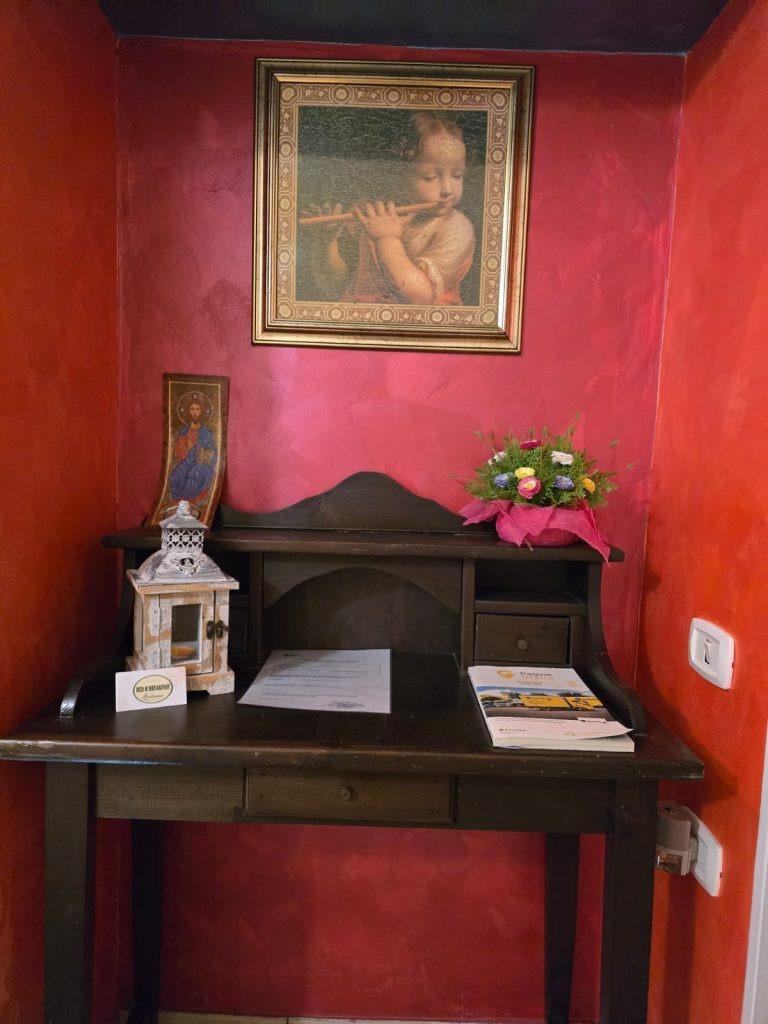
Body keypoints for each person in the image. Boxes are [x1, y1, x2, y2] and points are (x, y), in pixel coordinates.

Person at [305, 112, 475, 305]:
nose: (448, 189)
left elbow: (421, 298)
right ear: (396, 174)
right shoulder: (372, 212)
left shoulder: (456, 228)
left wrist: (387, 238)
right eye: (430, 177)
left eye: (457, 175)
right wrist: (326, 243)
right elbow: (332, 287)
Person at [169, 395, 217, 504]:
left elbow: (213, 452)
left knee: (195, 473)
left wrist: (203, 451)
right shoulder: (183, 432)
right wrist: (184, 449)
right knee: (175, 476)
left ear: (202, 412)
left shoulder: (206, 433)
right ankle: (178, 505)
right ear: (188, 411)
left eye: (198, 409)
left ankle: (191, 504)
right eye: (192, 409)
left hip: (202, 465)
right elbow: (177, 452)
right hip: (187, 463)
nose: (195, 412)